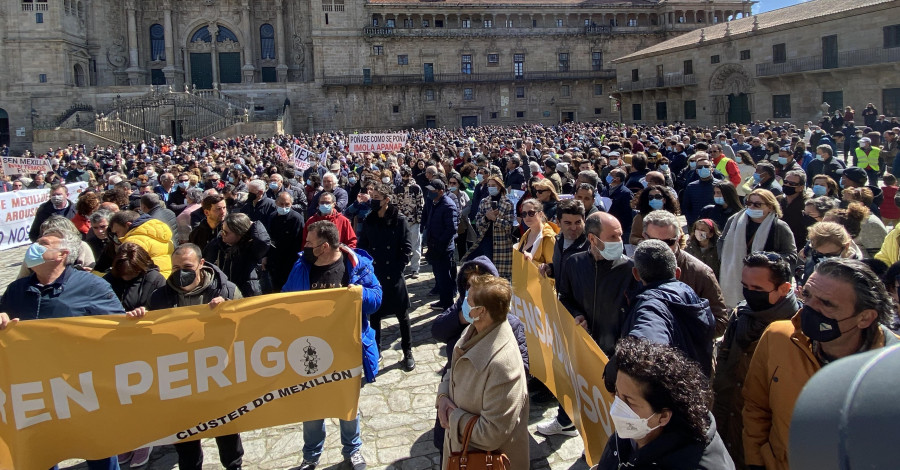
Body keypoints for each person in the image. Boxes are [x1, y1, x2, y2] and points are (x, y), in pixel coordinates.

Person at [742, 259, 899, 470]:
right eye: (806, 295)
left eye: (826, 304)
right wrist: (756, 462)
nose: (810, 308)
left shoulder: (891, 364)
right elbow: (756, 407)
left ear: (865, 317)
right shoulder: (777, 337)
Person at [0, 228, 125, 470]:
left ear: (62, 254)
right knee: (42, 451)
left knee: (98, 448)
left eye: (44, 243)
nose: (34, 247)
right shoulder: (17, 290)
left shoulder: (90, 286)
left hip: (80, 386)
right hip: (34, 388)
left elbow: (117, 330)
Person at [125, 243, 244, 470]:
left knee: (226, 430)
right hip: (181, 378)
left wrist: (231, 310)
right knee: (186, 438)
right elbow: (149, 334)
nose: (181, 271)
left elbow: (248, 327)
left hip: (218, 375)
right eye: (175, 267)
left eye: (187, 266)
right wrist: (137, 319)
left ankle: (233, 465)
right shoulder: (160, 297)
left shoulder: (225, 291)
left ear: (201, 264)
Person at [282, 220, 382, 470]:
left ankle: (353, 450)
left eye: (309, 242)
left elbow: (377, 299)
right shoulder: (301, 266)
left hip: (346, 347)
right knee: (312, 406)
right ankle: (311, 455)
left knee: (347, 404)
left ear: (324, 246)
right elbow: (286, 299)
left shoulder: (357, 265)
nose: (305, 246)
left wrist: (359, 293)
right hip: (310, 349)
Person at [540, 211, 638, 437]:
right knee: (572, 386)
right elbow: (565, 297)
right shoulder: (575, 263)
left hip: (615, 353)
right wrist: (576, 315)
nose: (619, 242)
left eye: (620, 235)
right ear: (593, 239)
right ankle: (565, 421)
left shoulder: (631, 270)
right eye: (613, 237)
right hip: (581, 346)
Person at [712, 252, 798, 468]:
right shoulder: (741, 315)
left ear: (785, 289)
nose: (750, 294)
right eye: (746, 287)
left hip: (763, 444)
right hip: (726, 426)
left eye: (758, 290)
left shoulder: (797, 332)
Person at [596, 337, 735, 470]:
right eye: (617, 393)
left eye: (628, 401)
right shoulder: (630, 436)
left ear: (663, 416)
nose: (617, 407)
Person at [436, 274, 529, 470]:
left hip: (483, 461)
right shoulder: (474, 329)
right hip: (459, 450)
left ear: (482, 311)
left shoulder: (502, 365)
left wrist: (453, 418)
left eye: (468, 301)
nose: (463, 304)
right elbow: (453, 369)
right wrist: (443, 396)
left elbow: (491, 434)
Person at [103, 242, 167, 468]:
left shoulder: (156, 281)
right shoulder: (108, 281)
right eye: (123, 274)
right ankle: (126, 439)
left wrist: (145, 315)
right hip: (115, 349)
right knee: (120, 398)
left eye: (131, 274)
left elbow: (165, 313)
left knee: (142, 396)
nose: (126, 278)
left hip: (145, 349)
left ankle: (144, 439)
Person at [620, 239, 716, 375]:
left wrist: (614, 369)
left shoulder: (651, 305)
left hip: (671, 391)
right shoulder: (690, 295)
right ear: (677, 273)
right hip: (697, 387)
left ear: (636, 274)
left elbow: (647, 341)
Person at [642, 210, 728, 337]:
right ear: (644, 236)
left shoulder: (700, 273)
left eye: (668, 242)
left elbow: (720, 322)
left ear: (678, 238)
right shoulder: (633, 267)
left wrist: (677, 332)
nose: (661, 248)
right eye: (655, 242)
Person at [358, 183, 415, 371]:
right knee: (375, 314)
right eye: (372, 197)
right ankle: (377, 350)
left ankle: (408, 351)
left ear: (387, 200)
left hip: (394, 273)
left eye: (377, 198)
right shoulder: (369, 220)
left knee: (402, 315)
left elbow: (407, 247)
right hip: (375, 274)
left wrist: (399, 267)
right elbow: (363, 245)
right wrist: (367, 269)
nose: (373, 201)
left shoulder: (399, 220)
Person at [718, 189, 798, 307]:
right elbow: (722, 241)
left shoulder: (779, 227)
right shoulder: (734, 221)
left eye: (757, 204)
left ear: (770, 206)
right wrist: (725, 259)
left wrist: (769, 262)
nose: (752, 207)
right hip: (735, 274)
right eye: (749, 203)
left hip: (765, 281)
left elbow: (791, 255)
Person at [109, 209, 175, 278]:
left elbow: (128, 272)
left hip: (151, 283)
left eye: (117, 232)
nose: (118, 237)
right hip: (168, 279)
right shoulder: (162, 234)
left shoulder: (132, 241)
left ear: (128, 225)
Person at [799, 221, 862, 286]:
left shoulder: (856, 271)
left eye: (831, 254)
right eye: (819, 253)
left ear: (846, 246)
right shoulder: (810, 251)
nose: (824, 258)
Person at [539, 199, 589, 279]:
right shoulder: (558, 240)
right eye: (568, 223)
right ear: (558, 222)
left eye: (578, 222)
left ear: (584, 220)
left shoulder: (591, 246)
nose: (573, 228)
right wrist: (550, 269)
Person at [268, 192, 305, 292]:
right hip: (274, 260)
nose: (284, 207)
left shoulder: (297, 218)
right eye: (281, 204)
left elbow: (299, 241)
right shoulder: (272, 216)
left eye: (287, 204)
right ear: (276, 203)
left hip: (290, 260)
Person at [395, 166, 425, 279]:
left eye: (407, 175)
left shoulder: (416, 188)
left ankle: (415, 268)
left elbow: (420, 204)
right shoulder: (397, 188)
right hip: (401, 222)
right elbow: (394, 204)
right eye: (403, 175)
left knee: (416, 246)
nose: (405, 177)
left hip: (414, 221)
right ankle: (402, 266)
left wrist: (419, 221)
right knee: (401, 246)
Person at [515, 197, 559, 265]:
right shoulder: (526, 234)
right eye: (524, 214)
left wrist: (531, 261)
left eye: (531, 213)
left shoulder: (548, 237)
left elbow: (552, 268)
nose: (527, 217)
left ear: (540, 214)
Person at [778, 169, 813, 250]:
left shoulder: (807, 204)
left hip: (798, 245)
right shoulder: (778, 200)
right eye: (785, 182)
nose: (787, 185)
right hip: (778, 242)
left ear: (801, 187)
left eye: (792, 184)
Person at [601, 167, 635, 240]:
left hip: (619, 228)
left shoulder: (626, 193)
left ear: (617, 179)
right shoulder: (605, 189)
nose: (608, 175)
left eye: (610, 174)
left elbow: (627, 214)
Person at [682, 154, 716, 226]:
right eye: (700, 167)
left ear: (712, 169)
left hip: (716, 223)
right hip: (696, 224)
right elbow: (686, 207)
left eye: (706, 166)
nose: (703, 169)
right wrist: (691, 221)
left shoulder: (721, 185)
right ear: (696, 171)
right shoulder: (691, 186)